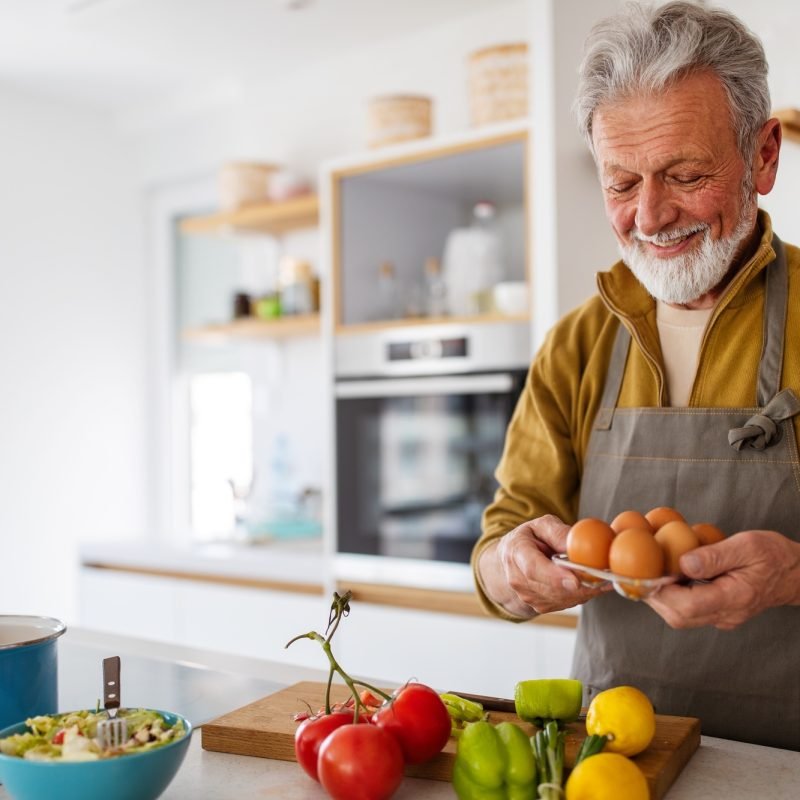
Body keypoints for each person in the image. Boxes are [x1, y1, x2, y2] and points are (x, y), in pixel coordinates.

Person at [472, 0, 800, 751]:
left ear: (764, 155)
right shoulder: (577, 345)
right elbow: (499, 542)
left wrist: (792, 576)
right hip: (615, 763)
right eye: (621, 183)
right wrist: (510, 571)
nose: (650, 217)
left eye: (685, 174)